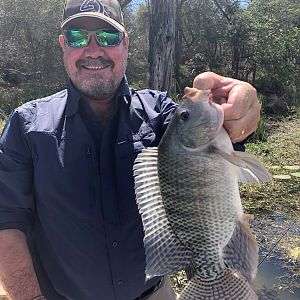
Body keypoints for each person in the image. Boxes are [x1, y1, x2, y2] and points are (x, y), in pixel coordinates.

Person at [0, 0, 260, 299]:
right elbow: (6, 220)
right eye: (77, 37)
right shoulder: (25, 124)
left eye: (108, 37)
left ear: (125, 43)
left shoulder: (161, 112)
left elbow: (209, 141)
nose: (93, 49)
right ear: (63, 45)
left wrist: (239, 114)